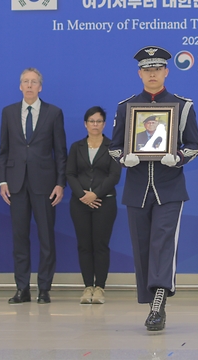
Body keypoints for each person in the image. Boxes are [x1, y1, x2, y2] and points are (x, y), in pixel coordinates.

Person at [108, 46, 198, 331]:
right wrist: (126, 158)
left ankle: (159, 302)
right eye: (147, 70)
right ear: (139, 73)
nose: (152, 74)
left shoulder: (183, 106)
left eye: (157, 69)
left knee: (162, 244)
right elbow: (113, 147)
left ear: (166, 72)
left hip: (169, 188)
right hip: (137, 188)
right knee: (142, 247)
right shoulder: (126, 107)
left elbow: (195, 145)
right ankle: (151, 304)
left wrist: (179, 158)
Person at [0, 68, 67, 305]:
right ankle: (22, 288)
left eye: (34, 82)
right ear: (20, 86)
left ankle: (44, 288)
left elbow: (60, 152)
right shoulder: (8, 112)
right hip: (16, 184)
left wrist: (60, 183)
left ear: (40, 87)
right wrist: (3, 181)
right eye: (25, 82)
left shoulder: (54, 113)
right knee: (19, 238)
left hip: (45, 184)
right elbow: (3, 150)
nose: (29, 85)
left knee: (46, 237)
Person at [66, 106, 121, 304]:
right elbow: (70, 173)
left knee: (100, 245)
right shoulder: (76, 147)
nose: (95, 125)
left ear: (104, 124)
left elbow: (114, 175)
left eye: (98, 121)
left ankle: (100, 288)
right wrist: (82, 195)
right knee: (84, 245)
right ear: (85, 124)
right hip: (79, 203)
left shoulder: (113, 146)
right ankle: (87, 286)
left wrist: (96, 194)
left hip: (104, 202)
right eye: (91, 121)